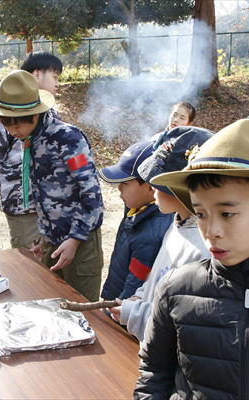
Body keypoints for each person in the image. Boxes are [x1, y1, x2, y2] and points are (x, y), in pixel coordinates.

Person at [135, 119, 249, 399]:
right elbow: (154, 376)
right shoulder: (176, 290)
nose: (211, 231)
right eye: (200, 214)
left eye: (227, 213)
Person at [0, 70, 104, 301]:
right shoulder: (30, 140)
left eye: (15, 125)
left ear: (34, 115)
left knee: (82, 310)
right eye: (6, 125)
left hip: (80, 241)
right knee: (51, 305)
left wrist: (74, 240)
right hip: (52, 242)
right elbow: (43, 195)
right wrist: (45, 236)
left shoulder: (68, 139)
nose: (11, 131)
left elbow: (91, 193)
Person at [107, 127, 213, 341]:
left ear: (182, 189)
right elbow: (159, 278)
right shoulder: (177, 224)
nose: (151, 186)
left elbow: (179, 323)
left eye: (156, 180)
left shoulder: (202, 248)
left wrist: (135, 313)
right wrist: (140, 295)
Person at [0, 52, 62, 250]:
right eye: (55, 77)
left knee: (51, 269)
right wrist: (12, 189)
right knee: (29, 268)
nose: (58, 84)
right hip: (23, 212)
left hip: (52, 207)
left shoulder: (51, 114)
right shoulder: (1, 117)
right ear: (36, 75)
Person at [98, 141, 173, 302]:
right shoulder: (136, 209)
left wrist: (116, 310)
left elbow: (136, 284)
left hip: (123, 316)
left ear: (151, 187)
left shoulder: (151, 236)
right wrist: (107, 294)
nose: (119, 188)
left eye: (125, 183)